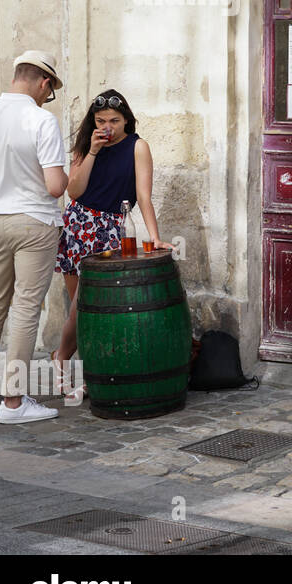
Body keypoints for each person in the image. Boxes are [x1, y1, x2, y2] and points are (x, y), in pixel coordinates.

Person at [55, 90, 166, 386]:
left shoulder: (137, 146)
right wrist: (91, 152)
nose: (108, 127)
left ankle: (62, 357)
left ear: (127, 120)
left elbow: (143, 197)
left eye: (115, 120)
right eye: (101, 120)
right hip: (78, 225)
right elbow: (74, 192)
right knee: (81, 310)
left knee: (88, 306)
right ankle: (86, 372)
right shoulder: (85, 144)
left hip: (109, 229)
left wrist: (154, 237)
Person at [0, 51, 68, 423]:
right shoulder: (41, 119)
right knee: (26, 309)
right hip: (34, 222)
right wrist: (66, 178)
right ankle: (13, 402)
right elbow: (54, 186)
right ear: (44, 83)